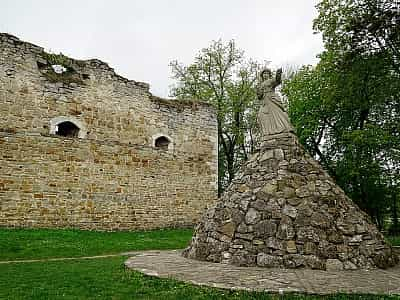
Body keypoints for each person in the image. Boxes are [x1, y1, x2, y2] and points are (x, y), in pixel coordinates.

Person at [257, 68, 294, 137]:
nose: (265, 75)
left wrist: (278, 74)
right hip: (264, 102)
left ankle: (283, 129)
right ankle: (267, 133)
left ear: (269, 75)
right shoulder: (260, 85)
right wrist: (259, 92)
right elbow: (259, 96)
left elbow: (277, 81)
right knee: (261, 115)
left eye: (267, 73)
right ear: (262, 76)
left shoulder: (270, 81)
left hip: (272, 99)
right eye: (264, 74)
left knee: (277, 114)